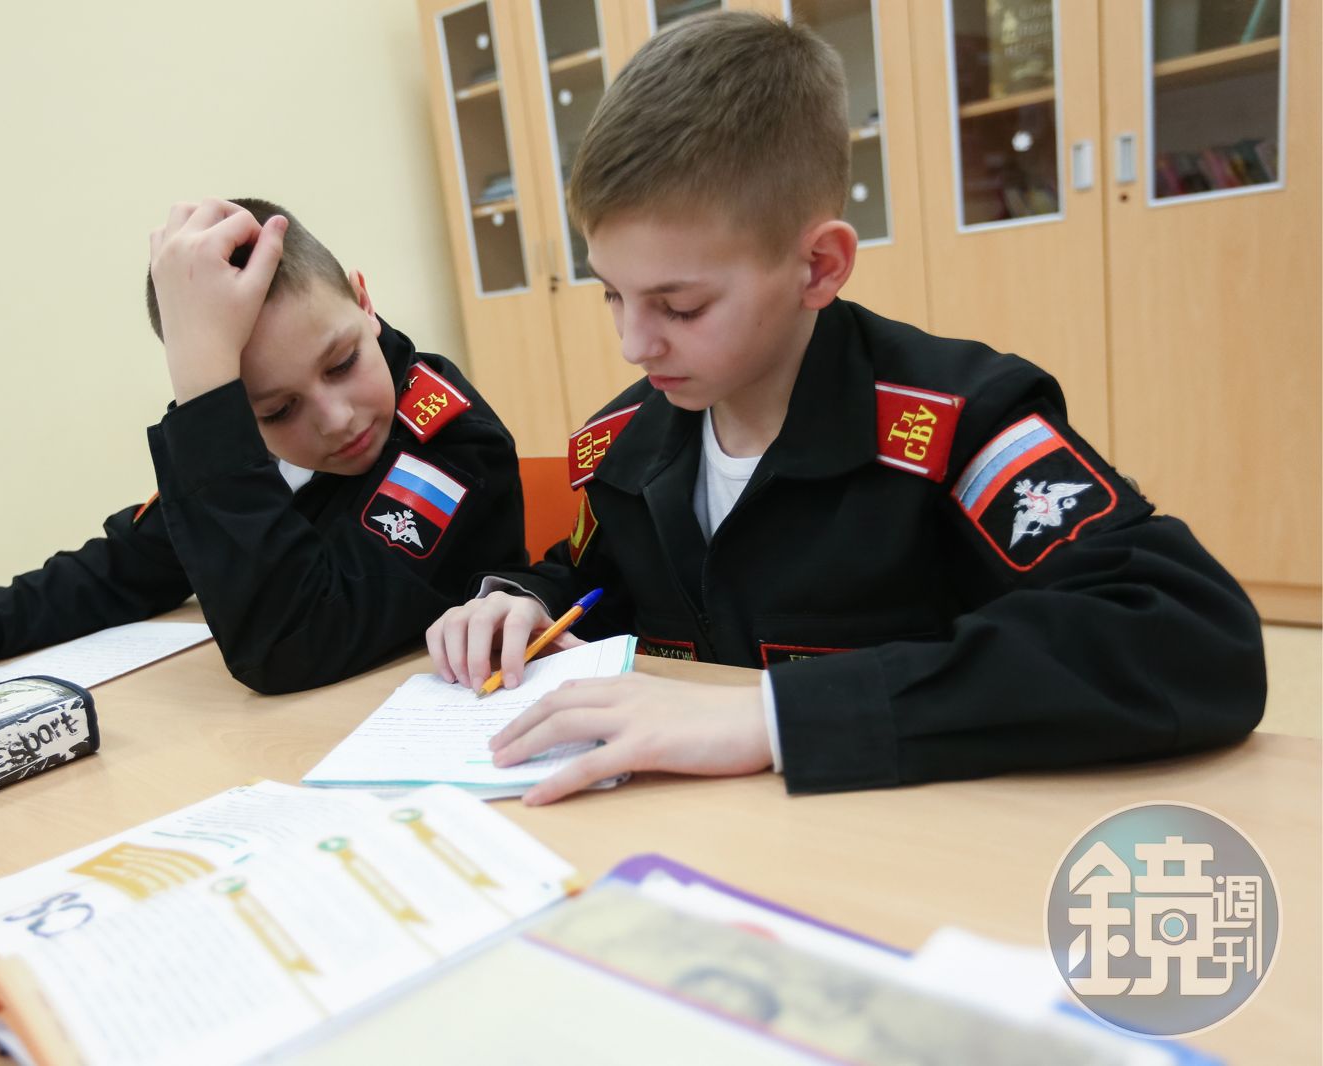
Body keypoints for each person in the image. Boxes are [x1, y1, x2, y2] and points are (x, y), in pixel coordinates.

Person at [425, 14, 1265, 805]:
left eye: (679, 307)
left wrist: (774, 718)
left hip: (898, 837)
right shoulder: (627, 445)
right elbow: (601, 584)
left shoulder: (957, 423)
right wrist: (523, 601)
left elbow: (1188, 637)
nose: (633, 345)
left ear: (820, 266)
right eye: (612, 294)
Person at [0, 198, 525, 709]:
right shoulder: (260, 450)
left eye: (343, 361)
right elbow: (114, 572)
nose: (334, 418)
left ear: (364, 301)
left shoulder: (451, 443)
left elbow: (294, 644)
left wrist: (210, 389)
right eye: (276, 410)